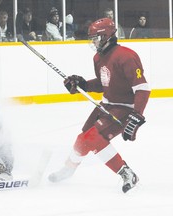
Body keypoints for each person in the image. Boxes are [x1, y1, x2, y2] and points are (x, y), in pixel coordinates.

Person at [48, 18, 151, 193]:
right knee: (83, 139)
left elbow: (143, 89)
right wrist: (83, 84)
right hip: (106, 105)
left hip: (124, 108)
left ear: (106, 36)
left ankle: (127, 174)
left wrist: (136, 115)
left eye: (96, 38)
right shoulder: (98, 57)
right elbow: (105, 83)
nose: (93, 42)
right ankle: (69, 168)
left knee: (92, 138)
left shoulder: (126, 56)